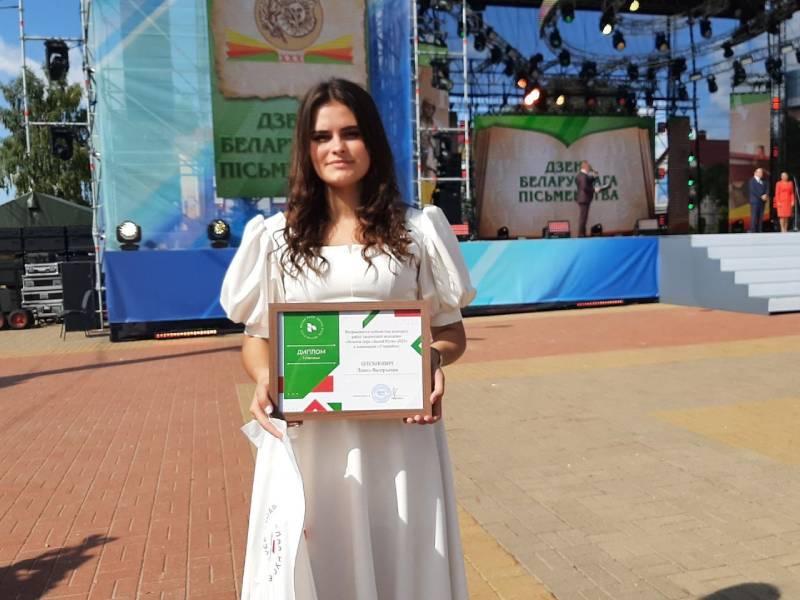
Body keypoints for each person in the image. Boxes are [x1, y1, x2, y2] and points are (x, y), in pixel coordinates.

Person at [220, 78, 475, 600]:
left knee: (402, 559)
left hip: (400, 439)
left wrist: (429, 361)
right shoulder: (275, 238)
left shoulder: (418, 230)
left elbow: (451, 332)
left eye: (351, 133)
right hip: (312, 441)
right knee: (319, 562)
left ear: (372, 141)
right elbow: (256, 338)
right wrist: (266, 378)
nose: (337, 147)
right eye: (322, 137)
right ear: (307, 148)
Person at [575, 161, 609, 237]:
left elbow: (588, 182)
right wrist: (594, 190)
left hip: (583, 198)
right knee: (583, 218)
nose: (589, 168)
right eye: (588, 167)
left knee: (584, 217)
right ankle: (581, 235)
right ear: (585, 167)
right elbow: (585, 187)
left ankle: (582, 234)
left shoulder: (581, 175)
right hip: (584, 198)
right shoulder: (582, 176)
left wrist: (594, 176)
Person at [748, 167, 769, 233]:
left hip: (762, 202)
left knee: (761, 216)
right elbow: (753, 190)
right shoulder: (752, 181)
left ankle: (760, 230)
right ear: (755, 173)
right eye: (759, 172)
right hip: (755, 201)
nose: (761, 173)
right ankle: (753, 230)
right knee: (754, 216)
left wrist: (766, 195)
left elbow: (767, 189)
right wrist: (761, 196)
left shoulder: (764, 181)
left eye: (762, 172)